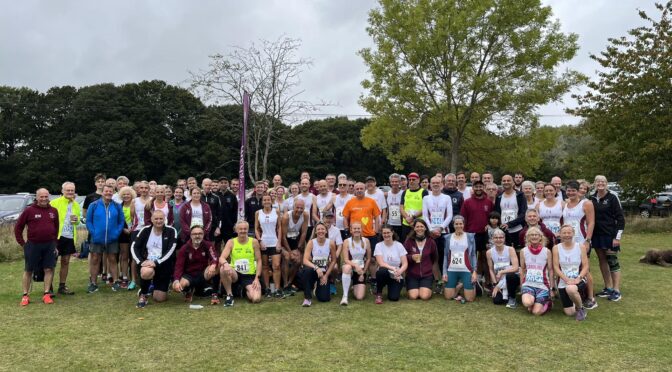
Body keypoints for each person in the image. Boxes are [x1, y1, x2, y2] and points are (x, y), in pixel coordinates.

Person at [15, 188, 59, 306]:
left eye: (46, 196)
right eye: (41, 197)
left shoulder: (53, 211)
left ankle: (46, 294)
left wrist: (55, 244)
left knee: (49, 269)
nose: (44, 199)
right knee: (29, 270)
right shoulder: (29, 211)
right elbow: (18, 228)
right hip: (33, 245)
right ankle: (25, 295)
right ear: (37, 197)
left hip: (49, 245)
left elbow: (56, 228)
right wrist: (23, 244)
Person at [131, 210, 178, 308]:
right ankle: (143, 294)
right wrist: (141, 262)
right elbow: (134, 247)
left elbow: (171, 250)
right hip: (148, 264)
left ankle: (151, 287)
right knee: (146, 271)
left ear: (165, 219)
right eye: (156, 219)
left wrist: (157, 262)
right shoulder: (145, 230)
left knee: (160, 298)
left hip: (163, 265)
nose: (158, 221)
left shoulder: (171, 231)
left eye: (161, 218)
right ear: (152, 219)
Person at [590, 175, 625, 302]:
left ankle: (616, 290)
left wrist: (617, 237)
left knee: (612, 260)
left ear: (606, 184)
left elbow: (620, 218)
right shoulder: (592, 198)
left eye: (603, 182)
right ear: (594, 184)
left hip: (610, 235)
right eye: (598, 182)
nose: (600, 183)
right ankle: (608, 287)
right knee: (602, 260)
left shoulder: (612, 197)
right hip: (597, 235)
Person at [562, 180, 597, 309]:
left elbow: (591, 222)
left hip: (581, 241)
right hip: (567, 242)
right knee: (571, 267)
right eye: (568, 190)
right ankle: (574, 294)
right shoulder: (565, 204)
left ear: (578, 191)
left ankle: (591, 297)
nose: (570, 193)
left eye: (573, 190)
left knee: (585, 269)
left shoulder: (586, 203)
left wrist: (587, 240)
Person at [85, 185, 125, 293]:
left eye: (110, 191)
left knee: (112, 259)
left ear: (113, 193)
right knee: (95, 259)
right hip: (97, 238)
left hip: (112, 238)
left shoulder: (117, 206)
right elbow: (88, 221)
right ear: (102, 192)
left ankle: (116, 281)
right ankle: (93, 283)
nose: (108, 193)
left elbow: (121, 221)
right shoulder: (93, 205)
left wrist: (116, 233)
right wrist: (94, 233)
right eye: (106, 191)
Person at [343, 182, 381, 286]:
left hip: (370, 234)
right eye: (357, 188)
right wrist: (347, 229)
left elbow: (377, 216)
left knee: (372, 259)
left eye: (361, 188)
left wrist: (376, 230)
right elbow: (345, 217)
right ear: (354, 190)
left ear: (365, 189)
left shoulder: (371, 201)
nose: (359, 190)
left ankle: (373, 279)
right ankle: (352, 279)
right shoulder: (350, 202)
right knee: (352, 259)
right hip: (355, 235)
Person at [219, 221, 263, 306]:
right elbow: (221, 258)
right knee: (222, 268)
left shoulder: (254, 242)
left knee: (256, 298)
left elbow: (259, 260)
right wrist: (225, 264)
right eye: (240, 229)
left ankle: (242, 290)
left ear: (248, 230)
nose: (243, 231)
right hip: (235, 274)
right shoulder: (231, 242)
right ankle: (229, 295)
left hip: (249, 275)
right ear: (236, 230)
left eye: (245, 229)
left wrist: (257, 278)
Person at [49, 182, 82, 295]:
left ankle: (62, 286)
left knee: (65, 262)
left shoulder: (76, 205)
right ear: (62, 191)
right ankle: (48, 288)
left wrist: (76, 220)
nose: (70, 192)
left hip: (69, 236)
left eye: (72, 190)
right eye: (68, 190)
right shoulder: (54, 202)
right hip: (56, 237)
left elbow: (77, 222)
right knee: (52, 262)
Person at [172, 225, 219, 304]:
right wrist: (176, 280)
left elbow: (214, 257)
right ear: (191, 235)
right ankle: (189, 290)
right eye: (195, 234)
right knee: (178, 286)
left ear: (203, 235)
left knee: (217, 267)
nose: (197, 236)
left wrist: (213, 265)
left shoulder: (208, 245)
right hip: (189, 275)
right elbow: (178, 266)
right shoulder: (184, 248)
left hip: (203, 274)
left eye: (200, 233)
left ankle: (215, 293)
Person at [553, 225, 589, 321]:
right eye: (564, 233)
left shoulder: (580, 246)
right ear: (560, 234)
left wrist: (578, 278)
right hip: (564, 281)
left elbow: (586, 266)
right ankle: (575, 302)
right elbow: (556, 267)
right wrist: (566, 279)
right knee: (569, 312)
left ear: (573, 233)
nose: (566, 235)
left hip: (579, 279)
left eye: (569, 232)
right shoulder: (556, 248)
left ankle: (581, 309)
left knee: (571, 289)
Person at [422, 175, 453, 289]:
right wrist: (430, 230)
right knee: (432, 257)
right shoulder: (426, 198)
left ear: (442, 184)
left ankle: (445, 278)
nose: (435, 184)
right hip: (430, 232)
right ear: (430, 184)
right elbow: (425, 215)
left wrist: (440, 228)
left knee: (444, 256)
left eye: (438, 182)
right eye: (433, 182)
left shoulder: (446, 198)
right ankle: (436, 280)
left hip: (444, 232)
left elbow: (450, 215)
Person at [460, 180, 493, 284]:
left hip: (484, 234)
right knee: (471, 258)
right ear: (473, 188)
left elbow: (492, 217)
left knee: (485, 257)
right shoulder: (467, 202)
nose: (478, 189)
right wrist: (463, 233)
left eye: (480, 186)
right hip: (471, 234)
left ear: (483, 187)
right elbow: (462, 218)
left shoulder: (488, 202)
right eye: (476, 187)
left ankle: (487, 281)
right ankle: (470, 281)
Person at [441, 216, 478, 303]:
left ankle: (469, 284)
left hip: (466, 270)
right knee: (448, 297)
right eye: (456, 224)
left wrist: (474, 271)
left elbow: (473, 255)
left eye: (460, 224)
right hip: (452, 269)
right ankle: (459, 286)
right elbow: (446, 256)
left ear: (464, 224)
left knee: (470, 299)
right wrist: (444, 273)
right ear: (453, 225)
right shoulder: (448, 238)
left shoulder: (470, 237)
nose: (458, 226)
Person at [300, 222, 338, 306]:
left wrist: (326, 275)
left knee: (324, 298)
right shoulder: (311, 242)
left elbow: (334, 260)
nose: (321, 231)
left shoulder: (331, 243)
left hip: (324, 271)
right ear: (316, 232)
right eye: (318, 229)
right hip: (313, 270)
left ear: (326, 231)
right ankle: (307, 298)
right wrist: (316, 268)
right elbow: (305, 260)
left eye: (322, 229)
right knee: (306, 271)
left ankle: (317, 288)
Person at [520, 227, 553, 316]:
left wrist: (552, 288)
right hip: (528, 284)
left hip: (542, 286)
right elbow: (522, 269)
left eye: (536, 235)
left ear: (540, 237)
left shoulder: (547, 251)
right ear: (528, 237)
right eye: (531, 235)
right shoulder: (523, 251)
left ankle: (547, 302)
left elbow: (550, 270)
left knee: (536, 312)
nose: (534, 237)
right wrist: (521, 285)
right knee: (527, 303)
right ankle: (533, 301)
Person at [255, 193, 283, 298]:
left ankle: (277, 289)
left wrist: (279, 241)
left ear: (271, 201)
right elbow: (256, 228)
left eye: (268, 200)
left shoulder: (276, 211)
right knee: (265, 266)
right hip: (264, 242)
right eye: (264, 200)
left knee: (276, 266)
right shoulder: (258, 213)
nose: (266, 201)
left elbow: (279, 227)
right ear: (262, 202)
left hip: (274, 241)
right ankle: (267, 288)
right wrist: (260, 240)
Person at [373, 225, 408, 304]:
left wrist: (399, 272)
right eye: (384, 233)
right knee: (381, 271)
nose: (386, 235)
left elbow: (405, 263)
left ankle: (391, 287)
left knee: (394, 298)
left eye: (388, 232)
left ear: (392, 233)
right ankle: (379, 294)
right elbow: (381, 263)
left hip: (396, 275)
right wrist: (394, 269)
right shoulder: (379, 245)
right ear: (381, 234)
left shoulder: (399, 245)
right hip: (385, 272)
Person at [404, 219, 438, 301]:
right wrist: (411, 257)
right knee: (413, 296)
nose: (420, 228)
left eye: (422, 226)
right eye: (417, 226)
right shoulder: (409, 241)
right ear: (414, 228)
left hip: (426, 275)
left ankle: (425, 289)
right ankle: (415, 289)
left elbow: (434, 258)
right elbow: (403, 257)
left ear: (425, 228)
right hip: (412, 275)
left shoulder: (431, 241)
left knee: (424, 296)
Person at [486, 229, 520, 308]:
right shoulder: (489, 252)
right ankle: (503, 291)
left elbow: (515, 267)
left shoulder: (510, 249)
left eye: (501, 237)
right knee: (497, 301)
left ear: (504, 238)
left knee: (510, 276)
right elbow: (491, 269)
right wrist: (495, 285)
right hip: (499, 280)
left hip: (511, 277)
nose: (498, 240)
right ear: (492, 239)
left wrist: (502, 272)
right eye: (496, 238)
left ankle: (512, 297)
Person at [280, 198, 308, 294]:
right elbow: (283, 237)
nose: (299, 210)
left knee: (298, 260)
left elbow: (304, 233)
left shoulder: (305, 215)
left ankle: (290, 282)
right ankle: (284, 284)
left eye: (302, 208)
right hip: (285, 242)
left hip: (296, 241)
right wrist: (290, 251)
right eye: (297, 207)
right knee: (287, 258)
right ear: (293, 207)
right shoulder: (286, 217)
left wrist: (298, 249)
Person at [340, 222, 371, 305]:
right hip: (350, 268)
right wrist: (355, 265)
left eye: (358, 228)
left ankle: (353, 285)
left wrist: (363, 272)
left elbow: (368, 259)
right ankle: (345, 296)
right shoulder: (347, 241)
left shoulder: (366, 241)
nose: (357, 230)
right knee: (347, 267)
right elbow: (346, 259)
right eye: (354, 228)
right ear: (351, 230)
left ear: (361, 229)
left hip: (360, 271)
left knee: (359, 297)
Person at [494, 175, 527, 249]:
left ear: (513, 182)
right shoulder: (499, 196)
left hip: (518, 229)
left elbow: (523, 213)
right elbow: (497, 213)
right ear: (501, 182)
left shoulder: (520, 195)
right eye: (504, 181)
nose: (506, 182)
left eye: (508, 180)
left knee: (518, 252)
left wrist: (509, 224)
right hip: (503, 230)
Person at [117, 186, 136, 289]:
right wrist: (124, 229)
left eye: (128, 194)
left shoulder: (135, 205)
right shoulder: (119, 206)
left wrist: (133, 228)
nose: (126, 196)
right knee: (124, 256)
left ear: (132, 195)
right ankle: (124, 277)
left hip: (134, 232)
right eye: (124, 194)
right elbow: (117, 220)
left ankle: (134, 278)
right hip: (122, 233)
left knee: (133, 256)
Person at [400, 172, 428, 239]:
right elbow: (401, 207)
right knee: (406, 244)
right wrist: (407, 218)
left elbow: (425, 207)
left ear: (418, 180)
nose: (411, 181)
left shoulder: (423, 192)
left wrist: (412, 217)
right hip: (406, 223)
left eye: (413, 179)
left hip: (419, 224)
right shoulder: (405, 192)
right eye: (410, 180)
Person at [201, 178, 223, 246]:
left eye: (209, 185)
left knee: (211, 247)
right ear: (202, 185)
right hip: (200, 226)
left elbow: (220, 214)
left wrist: (218, 228)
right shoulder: (197, 196)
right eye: (206, 185)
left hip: (212, 227)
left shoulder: (216, 197)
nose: (208, 186)